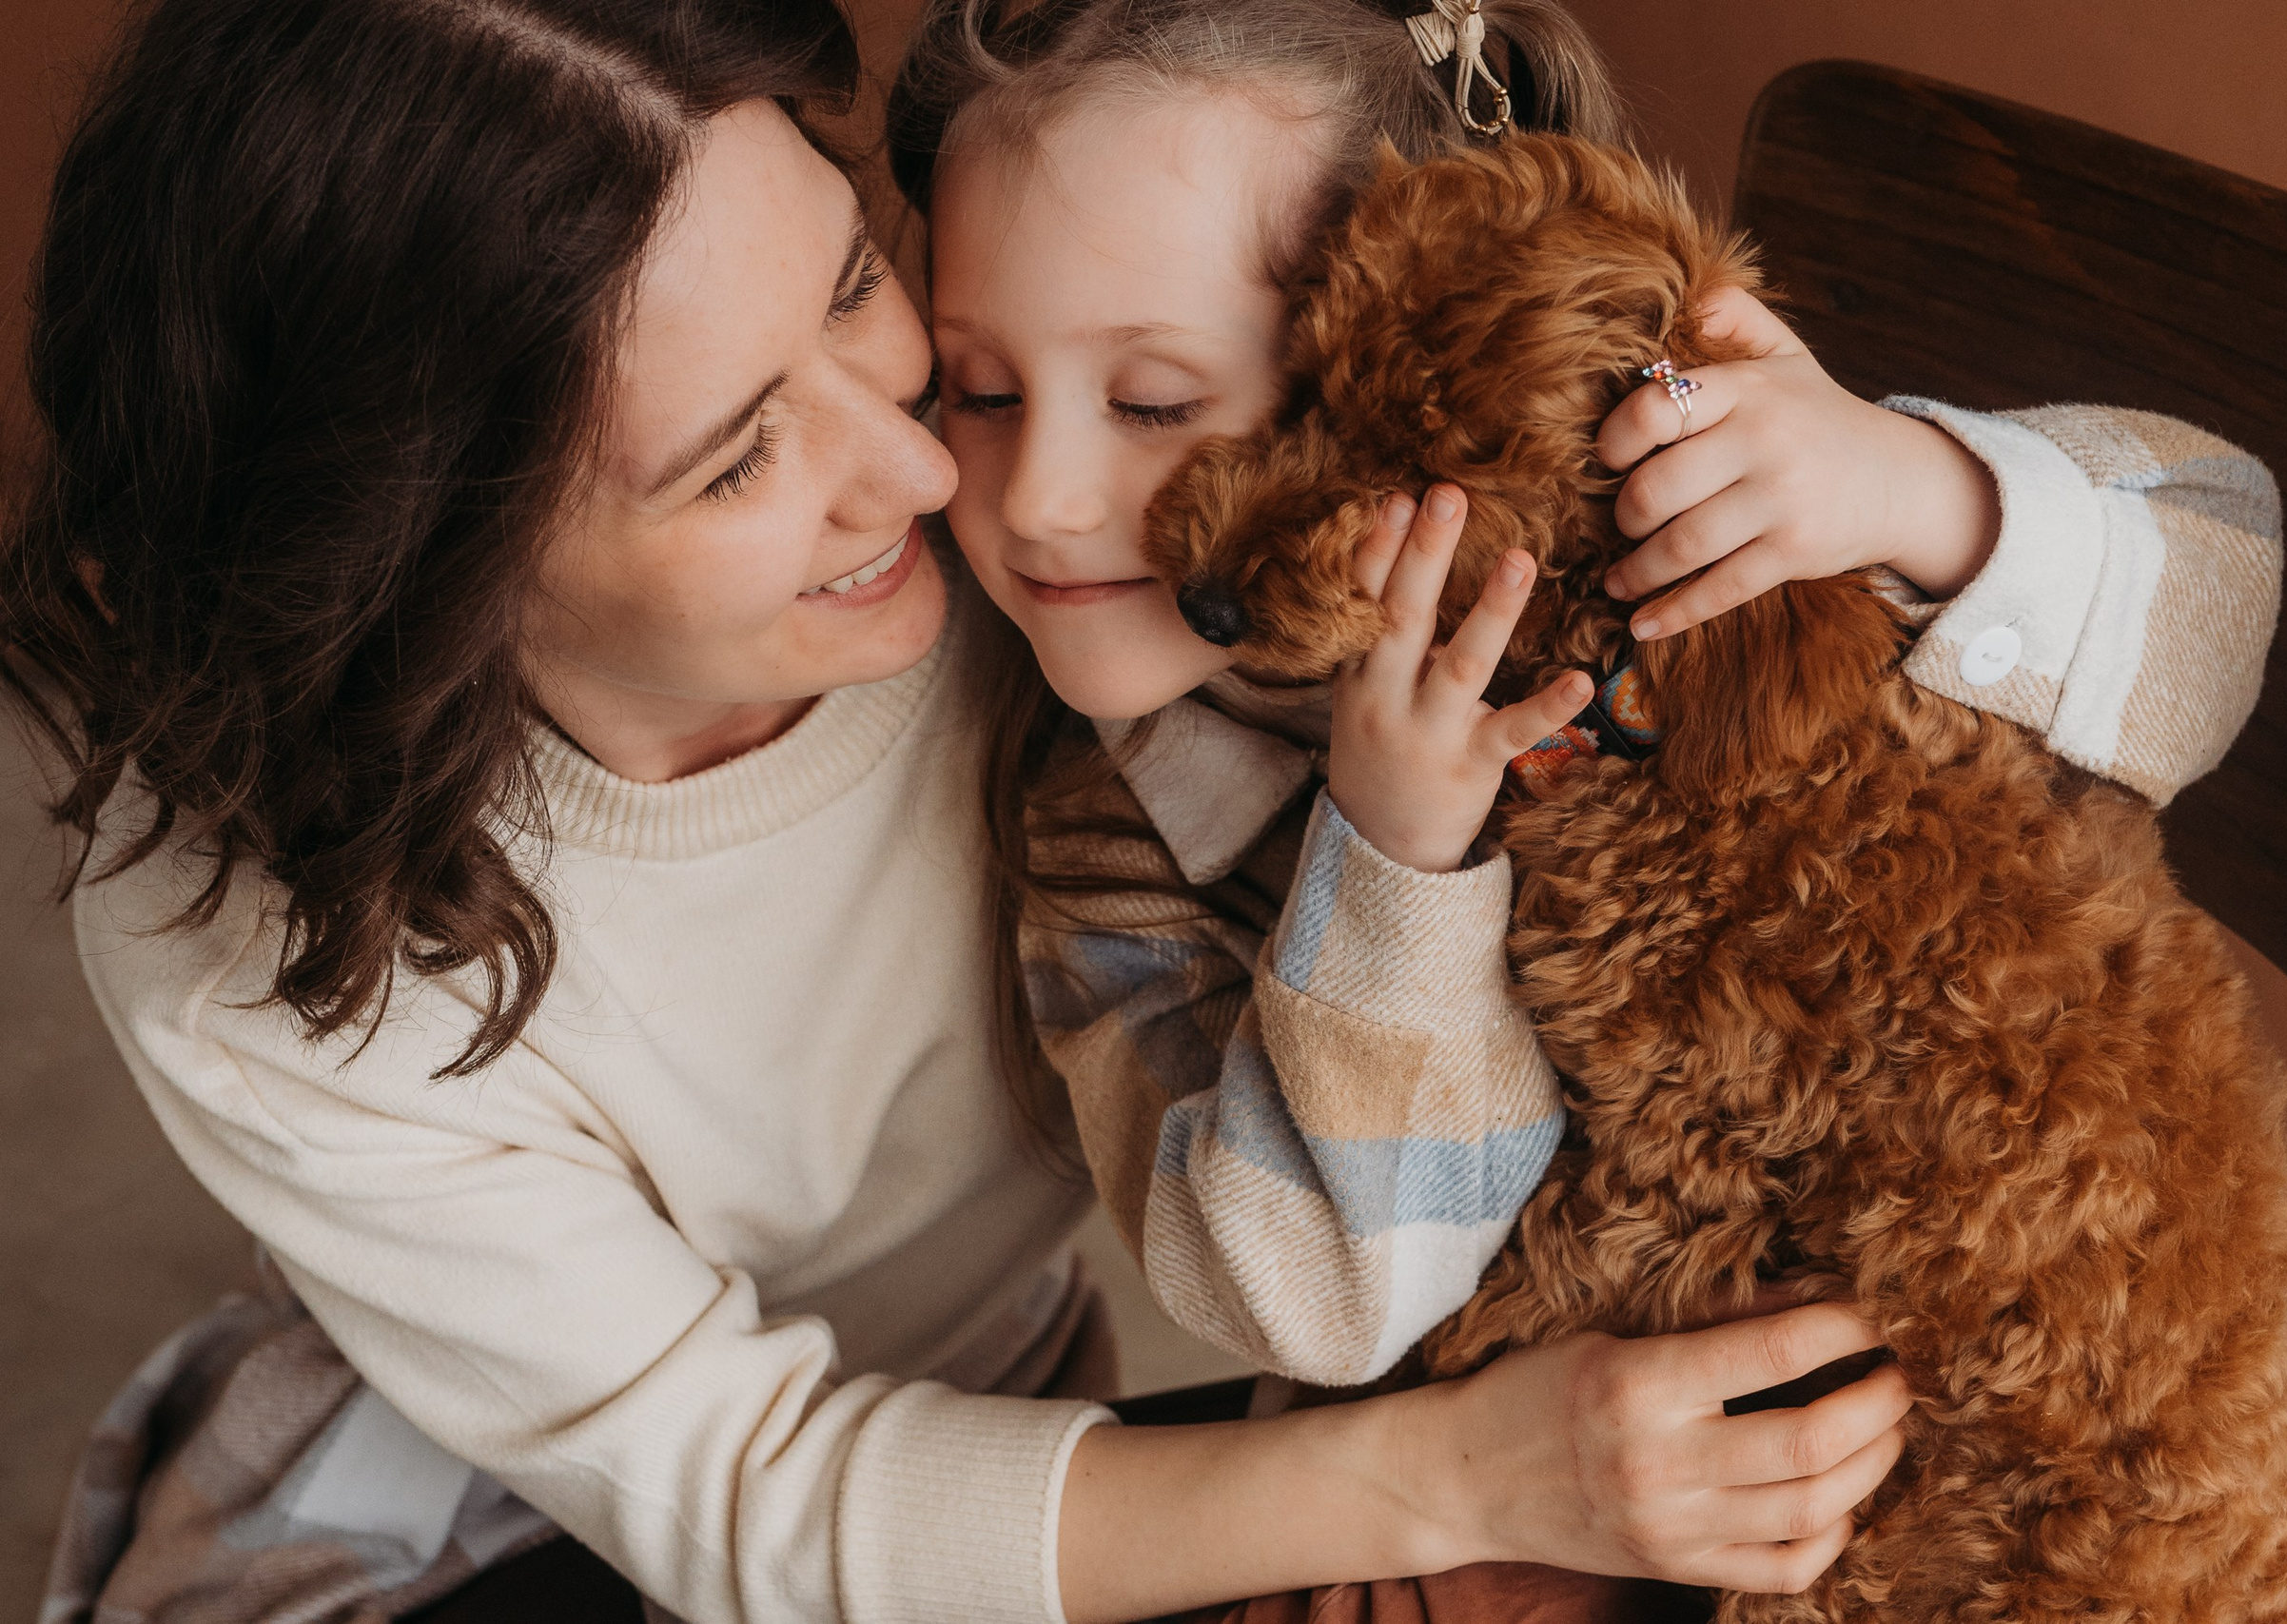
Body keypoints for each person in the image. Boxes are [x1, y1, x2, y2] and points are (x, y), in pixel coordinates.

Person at [14, 3, 1940, 1621]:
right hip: (465, 1513)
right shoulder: (232, 939)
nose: (937, 460)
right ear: (433, 574)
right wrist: (1452, 1474)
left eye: (855, 282)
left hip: (990, 1419)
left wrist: (1909, 489)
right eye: (734, 455)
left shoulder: (1083, 535)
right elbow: (756, 1489)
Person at [888, 0, 2286, 1605]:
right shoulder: (1116, 841)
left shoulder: (1690, 513)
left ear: (1398, 353)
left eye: (1153, 403)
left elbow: (2222, 581)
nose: (1042, 497)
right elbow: (1309, 1302)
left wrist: (1914, 490)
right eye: (980, 389)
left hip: (2011, 1407)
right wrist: (1396, 865)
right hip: (1499, 1520)